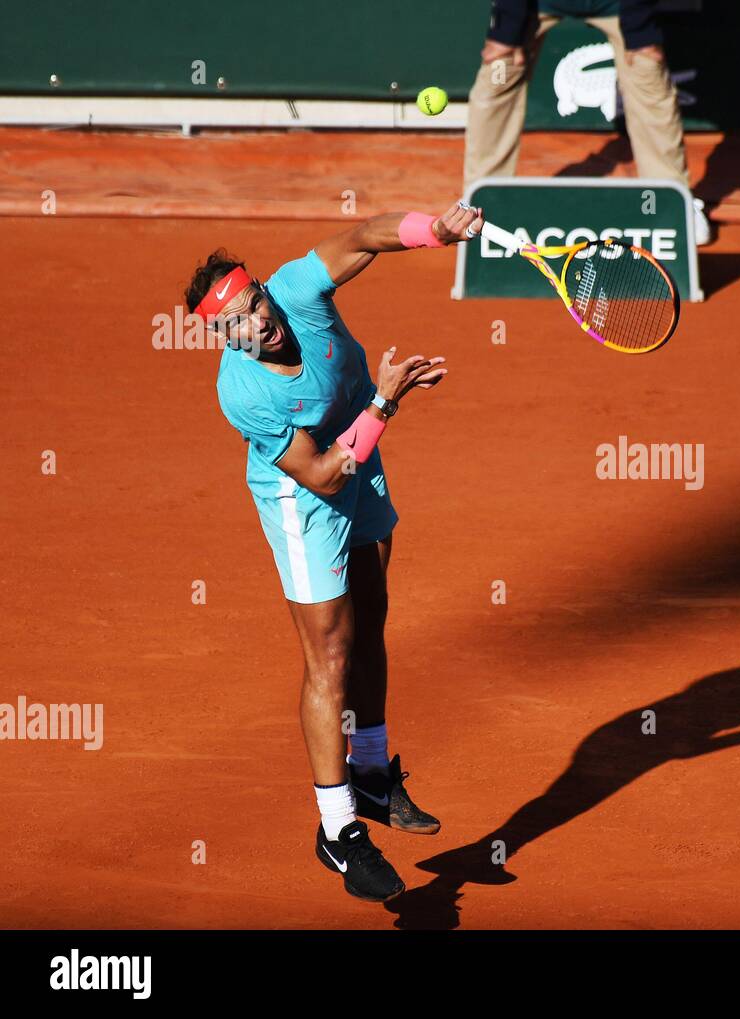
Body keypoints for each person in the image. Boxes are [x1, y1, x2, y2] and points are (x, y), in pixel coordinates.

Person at [185, 201, 485, 902]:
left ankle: (375, 777)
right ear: (224, 337)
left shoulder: (295, 289)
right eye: (240, 320)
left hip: (362, 448)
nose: (260, 319)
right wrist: (381, 405)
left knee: (374, 613)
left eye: (256, 300)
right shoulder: (243, 391)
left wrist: (433, 229)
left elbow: (363, 237)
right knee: (330, 654)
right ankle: (339, 828)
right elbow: (320, 473)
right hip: (307, 497)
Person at [464, 0, 712, 244]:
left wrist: (640, 33)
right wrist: (507, 32)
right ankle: (480, 204)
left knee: (649, 73)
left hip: (621, 5)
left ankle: (671, 204)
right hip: (534, 5)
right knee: (499, 74)